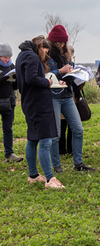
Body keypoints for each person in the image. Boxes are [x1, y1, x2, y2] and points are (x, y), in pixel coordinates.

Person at [16, 37, 64, 188]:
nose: (46, 52)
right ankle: (50, 179)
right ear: (38, 47)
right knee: (45, 140)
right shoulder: (31, 56)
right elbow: (31, 78)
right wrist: (47, 82)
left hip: (29, 103)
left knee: (33, 139)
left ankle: (33, 175)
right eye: (45, 49)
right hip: (39, 105)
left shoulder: (21, 55)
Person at [47, 25, 94, 173]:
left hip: (68, 95)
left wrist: (76, 73)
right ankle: (56, 165)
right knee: (56, 133)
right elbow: (46, 75)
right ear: (52, 42)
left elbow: (70, 72)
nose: (61, 45)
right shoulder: (47, 56)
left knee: (78, 129)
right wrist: (61, 71)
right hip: (54, 96)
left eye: (63, 42)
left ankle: (78, 163)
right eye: (58, 43)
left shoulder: (66, 55)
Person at [0, 44, 23, 162]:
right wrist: (2, 79)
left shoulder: (12, 66)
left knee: (8, 128)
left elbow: (14, 87)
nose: (7, 59)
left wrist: (16, 80)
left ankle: (9, 154)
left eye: (9, 57)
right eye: (4, 57)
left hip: (9, 101)